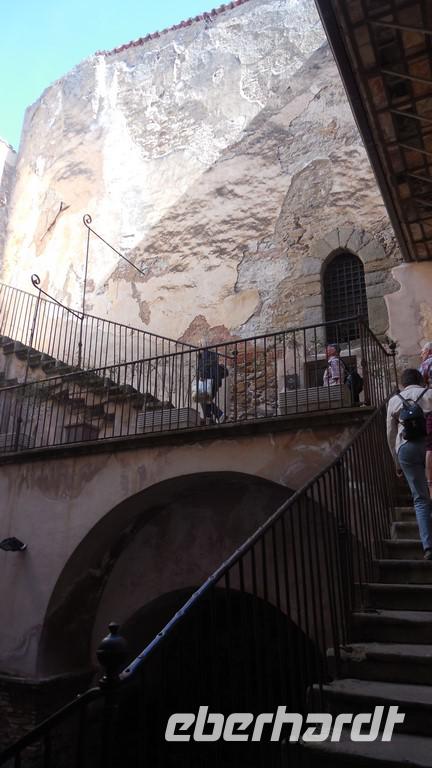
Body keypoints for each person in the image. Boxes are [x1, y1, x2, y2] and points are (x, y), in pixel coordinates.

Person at [387, 368, 432, 559]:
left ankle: (428, 546)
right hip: (430, 444)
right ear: (420, 380)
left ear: (402, 383)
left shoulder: (394, 400)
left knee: (420, 498)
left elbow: (390, 434)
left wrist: (396, 462)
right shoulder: (429, 393)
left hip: (406, 448)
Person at [197, 347, 228, 424]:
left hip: (208, 379)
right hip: (215, 380)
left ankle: (218, 415)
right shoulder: (213, 357)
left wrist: (201, 375)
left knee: (202, 399)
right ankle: (209, 419)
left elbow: (204, 368)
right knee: (205, 400)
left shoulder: (204, 355)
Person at [419, 342, 432, 498]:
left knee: (430, 447)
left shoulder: (427, 363)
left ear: (428, 351)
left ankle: (430, 484)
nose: (420, 354)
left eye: (422, 351)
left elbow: (418, 382)